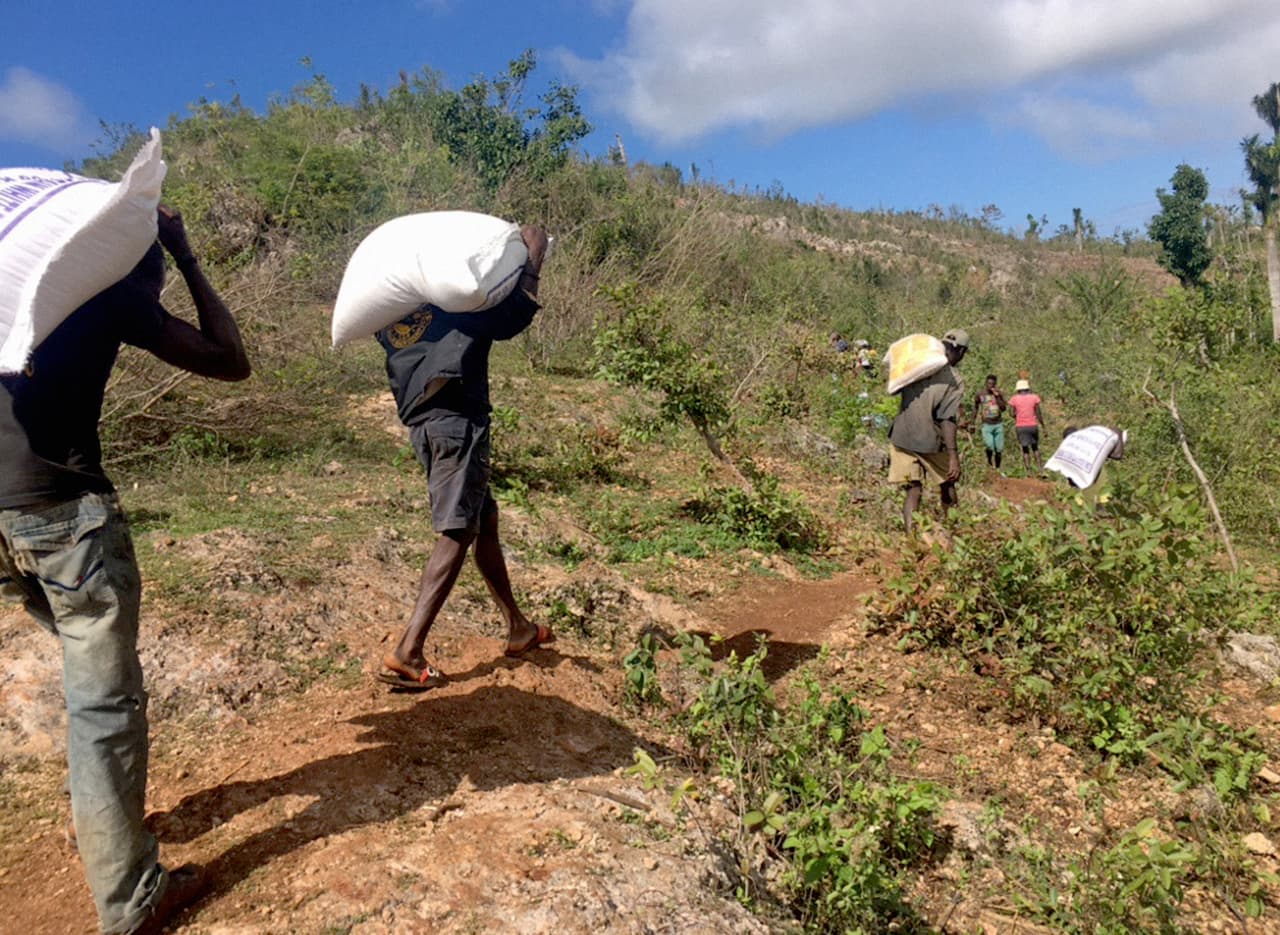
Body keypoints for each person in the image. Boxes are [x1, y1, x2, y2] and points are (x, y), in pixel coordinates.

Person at [0, 206, 250, 934]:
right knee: (102, 704)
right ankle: (131, 896)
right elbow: (228, 357)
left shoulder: (14, 290)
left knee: (86, 675)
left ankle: (100, 820)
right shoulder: (106, 287)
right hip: (63, 518)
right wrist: (184, 252)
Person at [376, 224, 553, 690]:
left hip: (425, 425)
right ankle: (409, 651)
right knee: (458, 528)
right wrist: (533, 257)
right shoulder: (454, 301)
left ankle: (517, 627)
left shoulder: (392, 317)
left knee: (483, 518)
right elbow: (512, 317)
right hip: (457, 422)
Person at [887, 328, 969, 535]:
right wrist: (953, 456)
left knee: (913, 490)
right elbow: (946, 419)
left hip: (901, 436)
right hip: (929, 441)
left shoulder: (917, 364)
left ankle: (911, 538)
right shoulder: (954, 380)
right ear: (961, 352)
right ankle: (954, 534)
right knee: (948, 484)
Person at [1006, 377, 1046, 474]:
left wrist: (1017, 416)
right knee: (1035, 447)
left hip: (1021, 426)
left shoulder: (1014, 398)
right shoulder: (1034, 397)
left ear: (1018, 389)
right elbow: (1038, 413)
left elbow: (1011, 412)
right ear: (1027, 388)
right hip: (1032, 425)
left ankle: (1028, 471)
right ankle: (1041, 470)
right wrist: (1043, 426)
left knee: (1025, 449)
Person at [973, 373, 1007, 471]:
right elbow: (975, 407)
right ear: (986, 383)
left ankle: (998, 468)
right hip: (986, 424)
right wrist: (972, 422)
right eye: (989, 383)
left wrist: (997, 397)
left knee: (999, 449)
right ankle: (989, 462)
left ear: (995, 384)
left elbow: (1003, 408)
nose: (990, 386)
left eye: (992, 384)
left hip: (998, 424)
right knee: (989, 445)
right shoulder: (980, 394)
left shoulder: (999, 393)